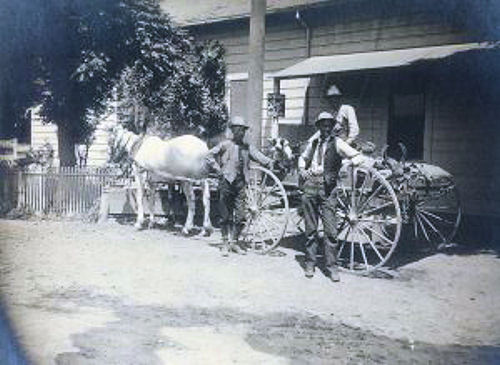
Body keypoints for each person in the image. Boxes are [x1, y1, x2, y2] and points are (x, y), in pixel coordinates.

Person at [298, 111, 363, 282]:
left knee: (331, 232)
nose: (326, 128)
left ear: (332, 127)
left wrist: (345, 165)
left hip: (328, 189)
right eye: (323, 125)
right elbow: (302, 158)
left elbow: (357, 157)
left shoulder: (338, 143)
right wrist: (302, 170)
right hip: (310, 187)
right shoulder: (313, 143)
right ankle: (310, 263)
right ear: (318, 127)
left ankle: (332, 267)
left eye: (329, 125)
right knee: (311, 230)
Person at [206, 116, 273, 257]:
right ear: (232, 131)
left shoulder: (247, 148)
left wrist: (271, 162)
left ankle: (234, 242)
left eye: (242, 130)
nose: (240, 132)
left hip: (240, 184)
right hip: (226, 182)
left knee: (241, 215)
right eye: (237, 130)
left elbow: (261, 158)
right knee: (225, 215)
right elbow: (208, 156)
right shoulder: (224, 145)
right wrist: (218, 170)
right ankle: (225, 243)